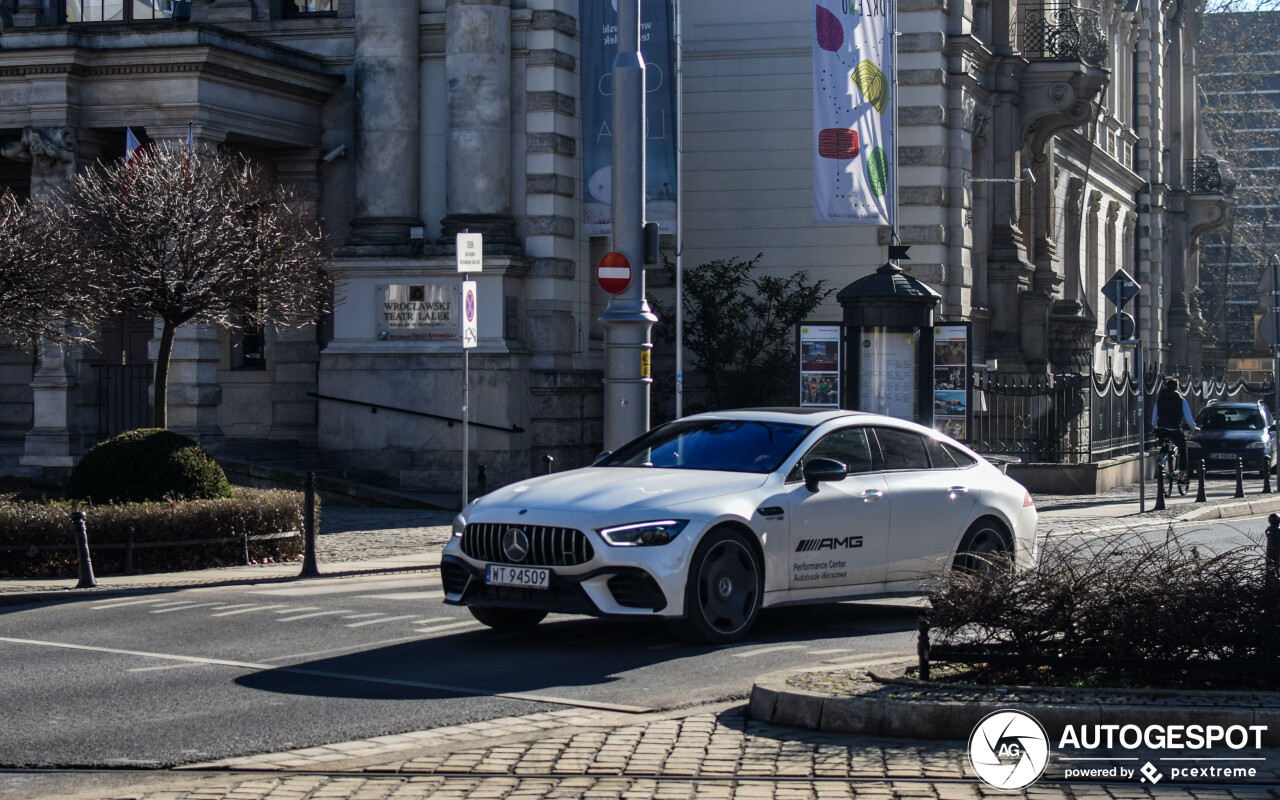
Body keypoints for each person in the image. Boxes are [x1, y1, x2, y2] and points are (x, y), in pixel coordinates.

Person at [1151, 379, 1200, 479]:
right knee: (1183, 449)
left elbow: (1154, 417)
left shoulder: (1160, 399)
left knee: (1165, 443)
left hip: (1161, 429)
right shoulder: (1181, 400)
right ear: (1177, 388)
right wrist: (1194, 427)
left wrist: (1155, 426)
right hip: (1174, 429)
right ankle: (1182, 474)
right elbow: (1188, 417)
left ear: (1166, 387)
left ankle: (1160, 461)